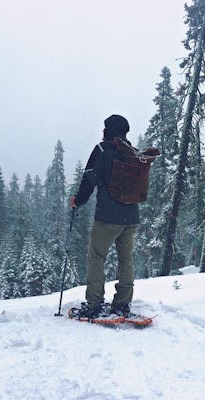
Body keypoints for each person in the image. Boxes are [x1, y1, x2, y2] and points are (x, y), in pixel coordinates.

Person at [70, 114, 140, 319]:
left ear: (107, 130)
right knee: (126, 258)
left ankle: (94, 303)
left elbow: (88, 180)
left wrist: (78, 201)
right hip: (131, 217)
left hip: (107, 217)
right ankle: (122, 304)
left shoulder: (102, 150)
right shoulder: (133, 153)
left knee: (96, 257)